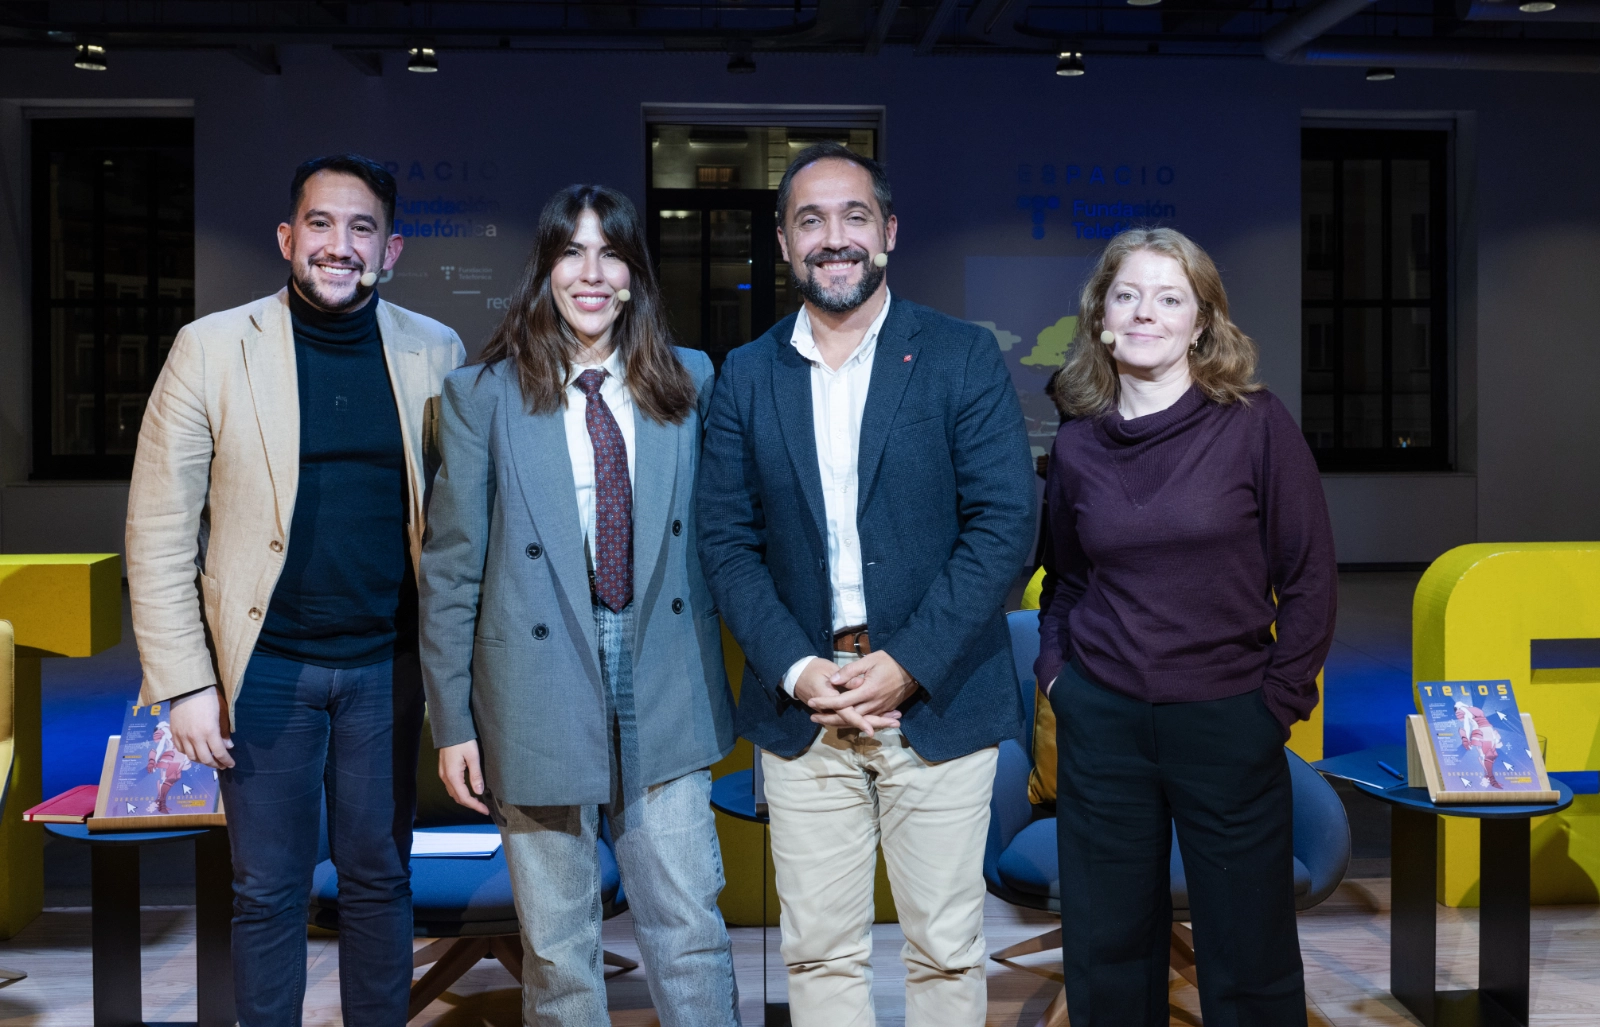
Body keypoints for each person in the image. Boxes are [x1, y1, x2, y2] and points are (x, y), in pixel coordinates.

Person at [698, 142, 1037, 1027]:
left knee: (945, 951)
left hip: (940, 700)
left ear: (888, 231)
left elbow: (1005, 527)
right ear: (783, 243)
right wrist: (798, 670)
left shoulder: (960, 357)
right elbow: (727, 544)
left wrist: (908, 662)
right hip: (805, 712)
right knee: (818, 953)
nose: (833, 237)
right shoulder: (745, 376)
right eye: (811, 220)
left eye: (853, 217)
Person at [125, 154, 465, 1025]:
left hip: (385, 667)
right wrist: (186, 686)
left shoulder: (436, 350)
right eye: (321, 224)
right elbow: (158, 531)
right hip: (263, 669)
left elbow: (458, 525)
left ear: (390, 251)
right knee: (267, 888)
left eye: (362, 229)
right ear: (287, 238)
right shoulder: (209, 348)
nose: (339, 245)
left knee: (380, 879)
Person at [421, 185, 740, 1027]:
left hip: (663, 672)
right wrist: (451, 720)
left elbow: (725, 542)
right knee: (560, 950)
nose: (590, 273)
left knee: (690, 927)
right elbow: (452, 571)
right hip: (533, 683)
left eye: (610, 254)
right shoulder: (481, 395)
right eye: (572, 252)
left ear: (634, 275)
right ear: (546, 270)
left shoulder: (692, 381)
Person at [1036, 227, 1337, 1027]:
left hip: (1229, 717)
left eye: (1170, 298)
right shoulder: (1076, 444)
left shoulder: (1256, 425)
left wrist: (1274, 705)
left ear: (1202, 323)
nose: (1145, 313)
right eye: (1127, 295)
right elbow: (1063, 581)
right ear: (1101, 316)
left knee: (1250, 956)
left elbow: (1308, 579)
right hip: (1103, 724)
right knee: (1106, 953)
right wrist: (1061, 679)